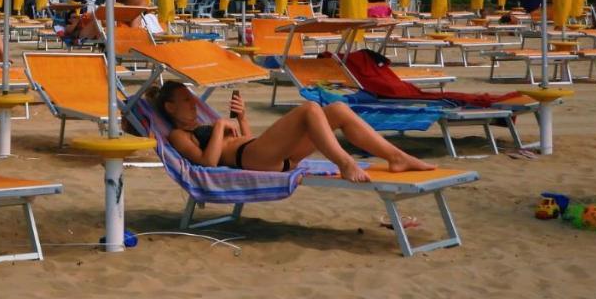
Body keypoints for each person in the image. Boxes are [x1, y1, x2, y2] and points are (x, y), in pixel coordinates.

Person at [154, 81, 435, 183]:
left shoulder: (205, 124)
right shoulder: (179, 136)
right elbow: (208, 164)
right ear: (170, 107)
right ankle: (345, 162)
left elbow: (245, 139)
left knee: (336, 109)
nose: (194, 103)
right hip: (253, 159)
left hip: (265, 154)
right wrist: (218, 129)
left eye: (192, 98)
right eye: (186, 100)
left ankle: (397, 157)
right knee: (309, 109)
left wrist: (241, 118)